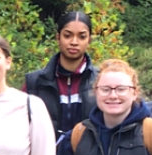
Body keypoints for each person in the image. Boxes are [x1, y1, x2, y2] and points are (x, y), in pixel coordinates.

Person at [24, 11, 100, 139]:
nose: (74, 42)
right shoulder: (35, 82)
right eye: (67, 35)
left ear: (89, 40)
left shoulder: (101, 81)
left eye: (82, 37)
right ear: (58, 37)